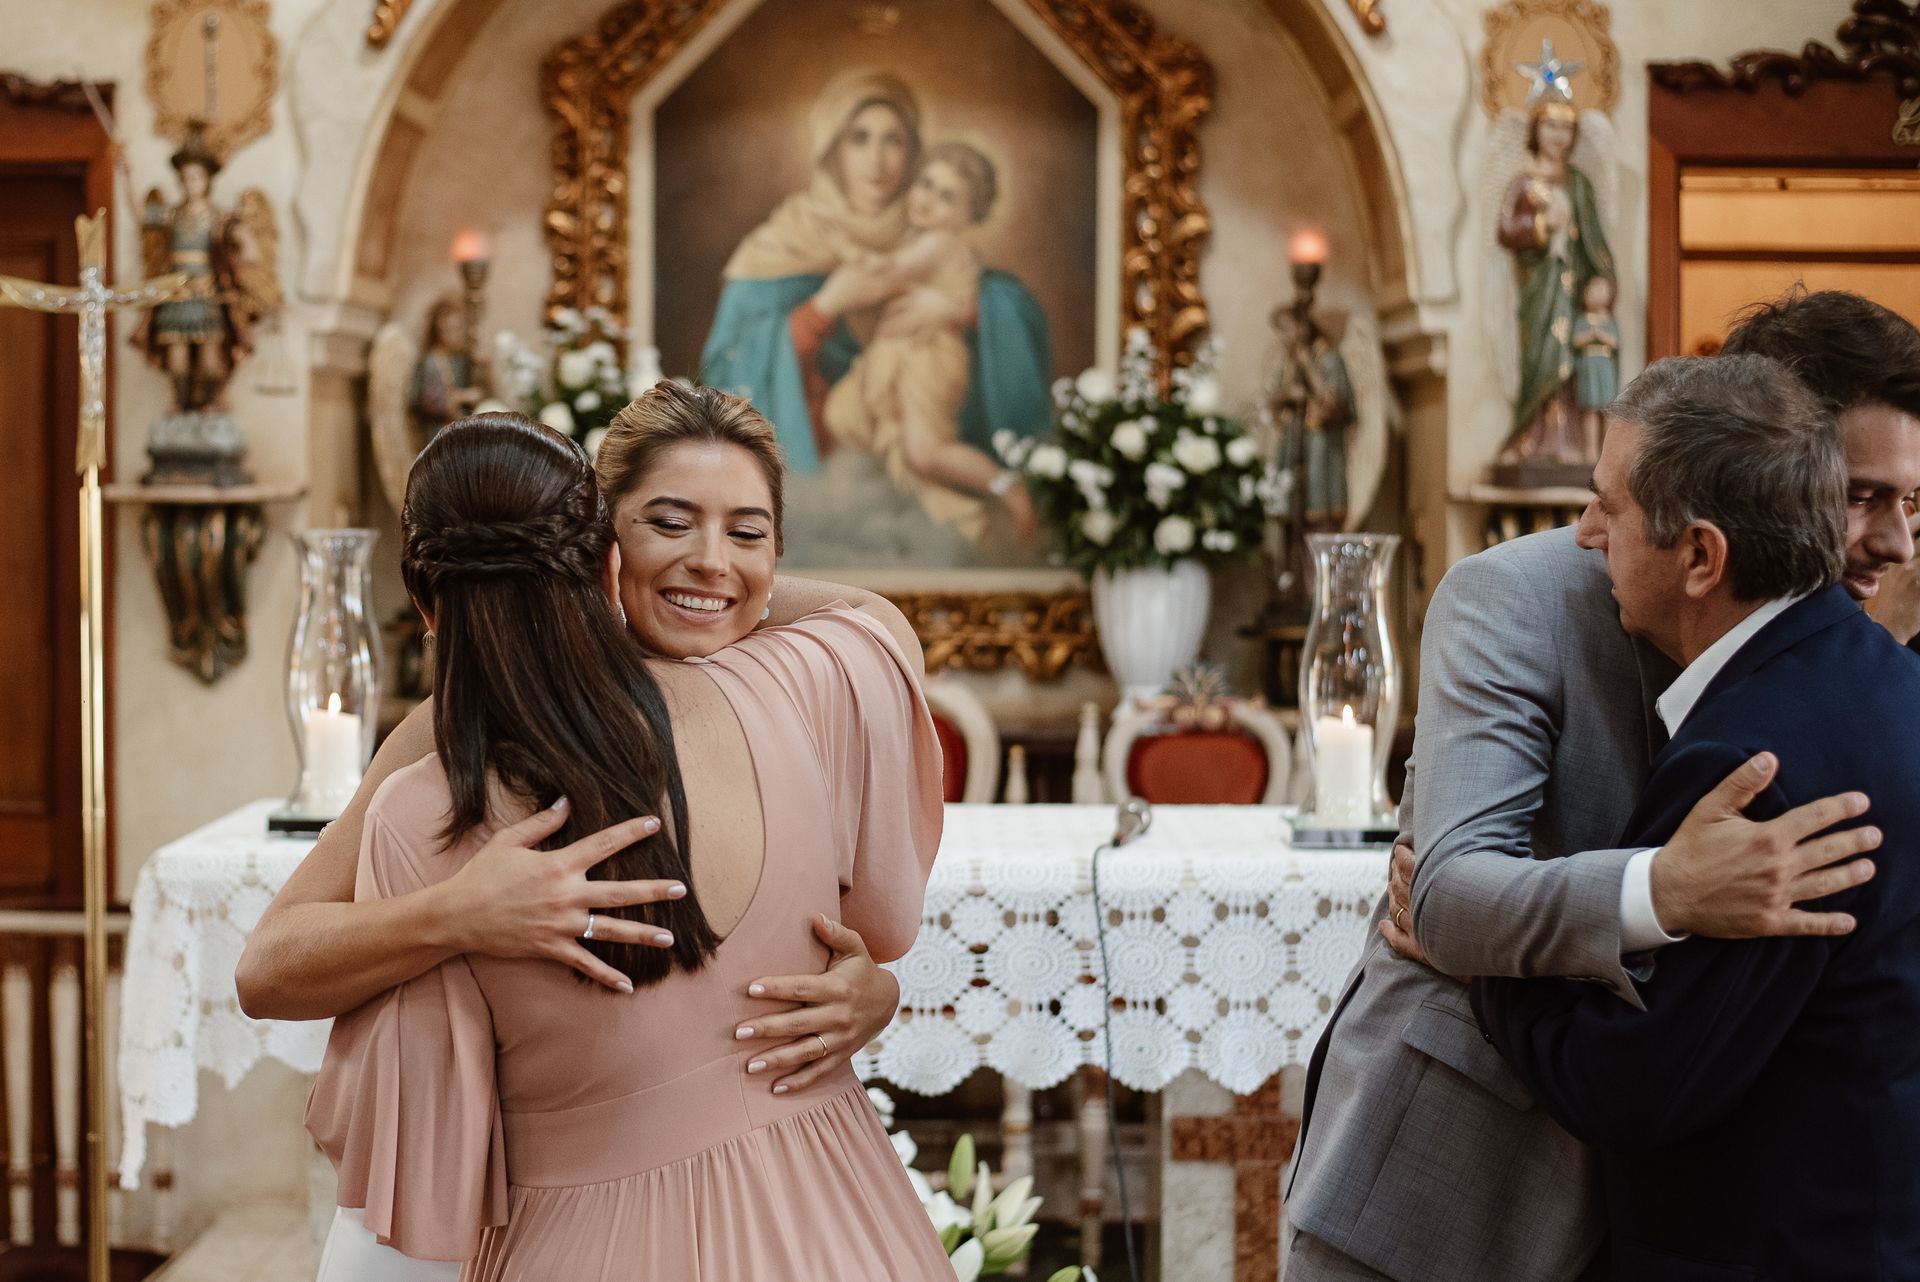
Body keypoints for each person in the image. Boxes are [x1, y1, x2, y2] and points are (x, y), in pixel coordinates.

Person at [1283, 287, 1920, 1282]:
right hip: (1457, 1191)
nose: (1891, 543)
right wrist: (1661, 886)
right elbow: (1446, 891)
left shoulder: (1850, 661)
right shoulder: (1528, 598)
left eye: (1911, 501)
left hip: (1684, 1201)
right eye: (1861, 496)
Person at [304, 394, 953, 1277]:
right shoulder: (804, 682)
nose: (710, 561)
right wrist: (456, 914)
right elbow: (880, 628)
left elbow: (428, 1161)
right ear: (606, 546)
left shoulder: (427, 809)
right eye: (670, 523)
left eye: (747, 533)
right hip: (839, 1230)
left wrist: (677, 573)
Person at [1474, 355, 1920, 1280]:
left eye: (1613, 507)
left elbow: (1634, 1088)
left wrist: (1483, 963)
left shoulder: (1749, 764)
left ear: (1702, 556)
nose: (1588, 534)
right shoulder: (1890, 680)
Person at [700, 71, 1051, 474]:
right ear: (832, 149)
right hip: (823, 471)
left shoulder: (932, 227)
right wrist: (824, 308)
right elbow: (726, 370)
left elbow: (1013, 309)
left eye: (894, 141)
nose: (877, 160)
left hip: (920, 447)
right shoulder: (784, 240)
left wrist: (960, 311)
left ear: (913, 151)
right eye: (859, 138)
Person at [822, 141, 1038, 541]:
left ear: (968, 215)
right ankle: (963, 516)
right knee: (859, 423)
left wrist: (841, 244)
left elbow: (884, 271)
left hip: (928, 360)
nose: (928, 200)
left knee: (925, 451)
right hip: (904, 355)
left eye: (947, 196)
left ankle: (1011, 491)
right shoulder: (921, 240)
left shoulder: (940, 243)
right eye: (925, 184)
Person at [1495, 91, 1615, 465]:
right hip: (1539, 285)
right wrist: (1543, 224)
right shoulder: (1524, 181)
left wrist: (1603, 279)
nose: (1559, 136)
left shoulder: (1578, 183)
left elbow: (1594, 238)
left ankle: (1570, 442)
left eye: (1567, 127)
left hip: (1573, 287)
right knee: (1541, 357)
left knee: (1573, 361)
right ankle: (1531, 438)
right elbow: (1506, 229)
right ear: (1536, 130)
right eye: (1551, 126)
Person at [1571, 275, 1619, 460]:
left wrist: (1601, 334)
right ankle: (1590, 449)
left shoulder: (1608, 319)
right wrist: (1591, 334)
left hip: (1604, 366)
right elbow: (1575, 340)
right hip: (1589, 367)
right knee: (1590, 408)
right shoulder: (1583, 319)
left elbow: (1615, 342)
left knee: (1607, 409)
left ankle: (1605, 450)